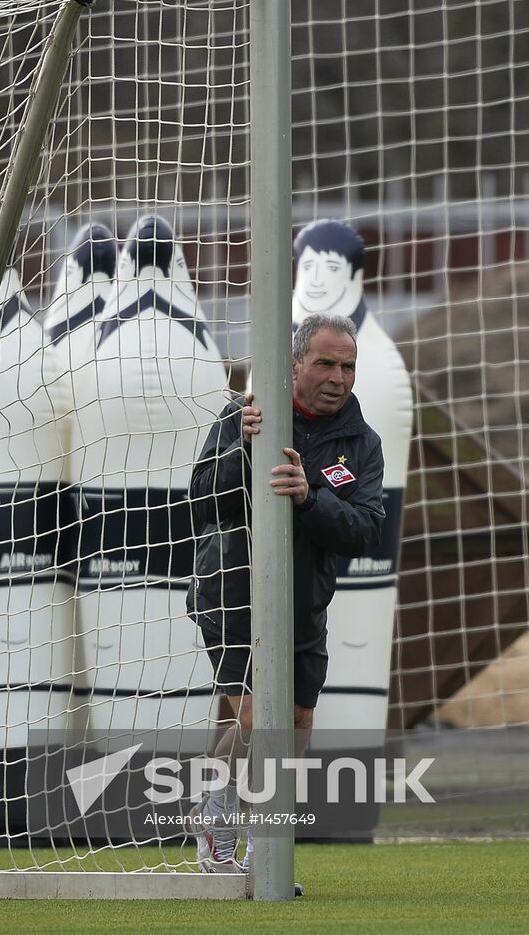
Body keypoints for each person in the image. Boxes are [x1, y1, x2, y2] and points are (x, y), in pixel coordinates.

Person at [186, 313, 385, 875]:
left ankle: (262, 854)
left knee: (294, 728)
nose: (338, 377)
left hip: (303, 607)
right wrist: (245, 451)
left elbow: (368, 528)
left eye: (348, 366)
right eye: (325, 363)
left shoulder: (361, 443)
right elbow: (200, 499)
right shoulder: (244, 415)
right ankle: (215, 825)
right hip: (231, 592)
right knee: (254, 720)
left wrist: (308, 498)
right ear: (295, 363)